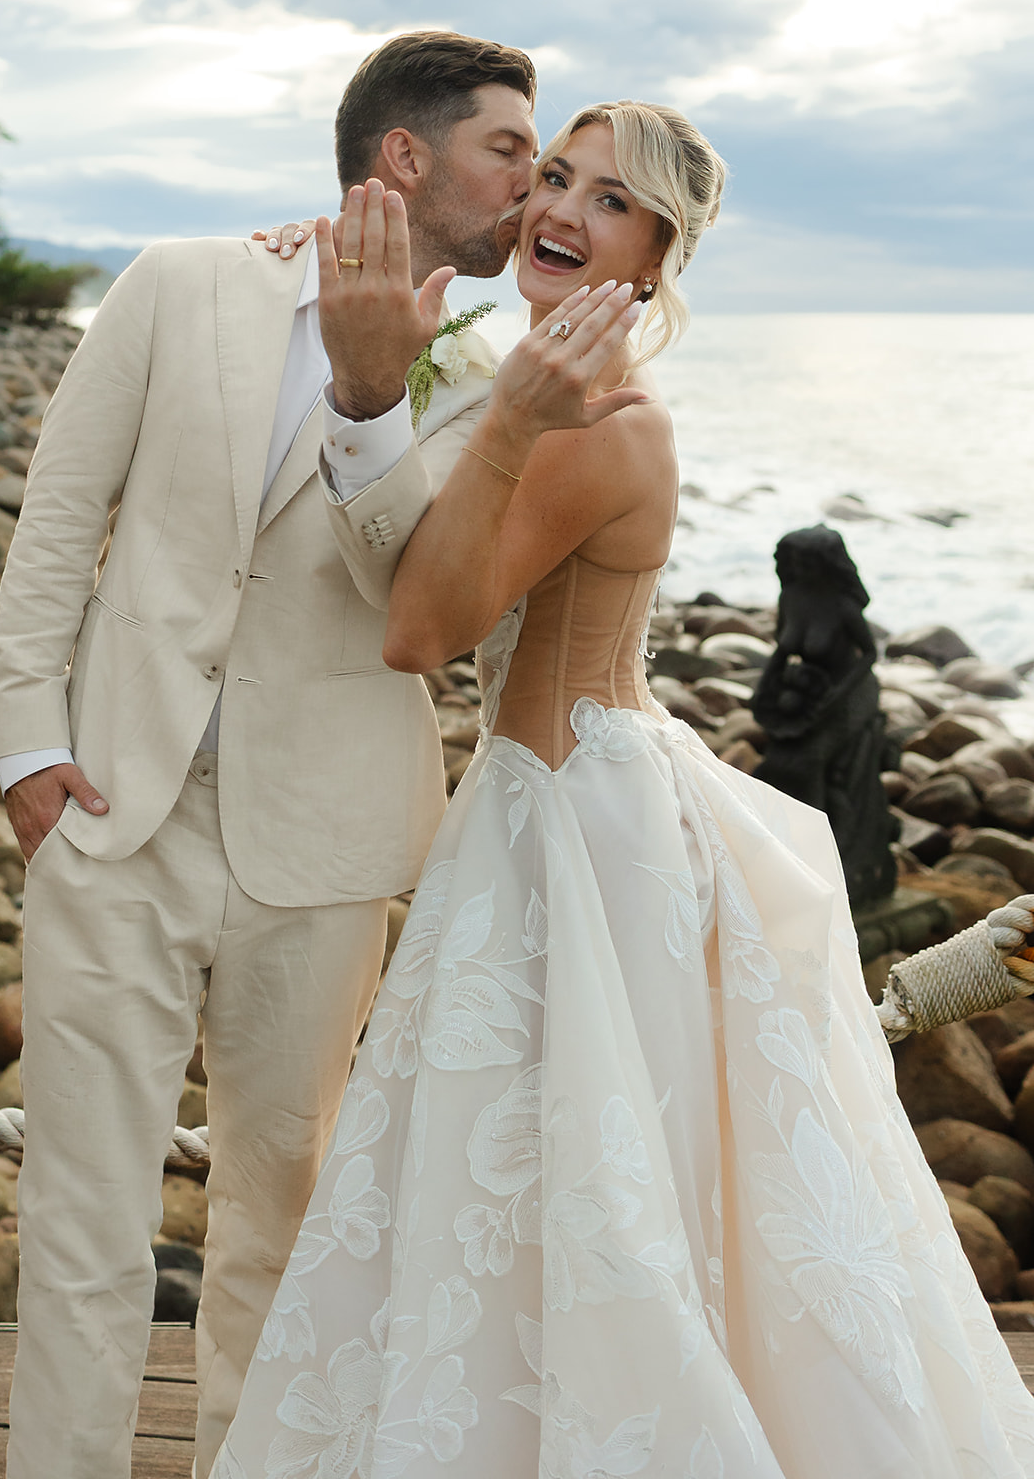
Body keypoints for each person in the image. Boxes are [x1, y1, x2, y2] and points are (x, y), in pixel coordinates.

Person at [213, 103, 1034, 1478]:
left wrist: (492, 420)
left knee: (596, 1191)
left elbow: (422, 631)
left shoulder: (595, 424)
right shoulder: (538, 385)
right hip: (561, 795)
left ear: (657, 258)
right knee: (553, 1183)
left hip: (574, 831)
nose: (563, 209)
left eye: (611, 201)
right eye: (556, 177)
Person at [0, 30, 542, 1479]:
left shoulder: (493, 388)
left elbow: (414, 606)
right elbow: (61, 516)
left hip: (326, 843)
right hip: (112, 808)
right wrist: (27, 743)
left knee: (282, 1220)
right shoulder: (179, 285)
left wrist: (372, 399)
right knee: (83, 1211)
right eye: (509, 150)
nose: (532, 187)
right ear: (405, 156)